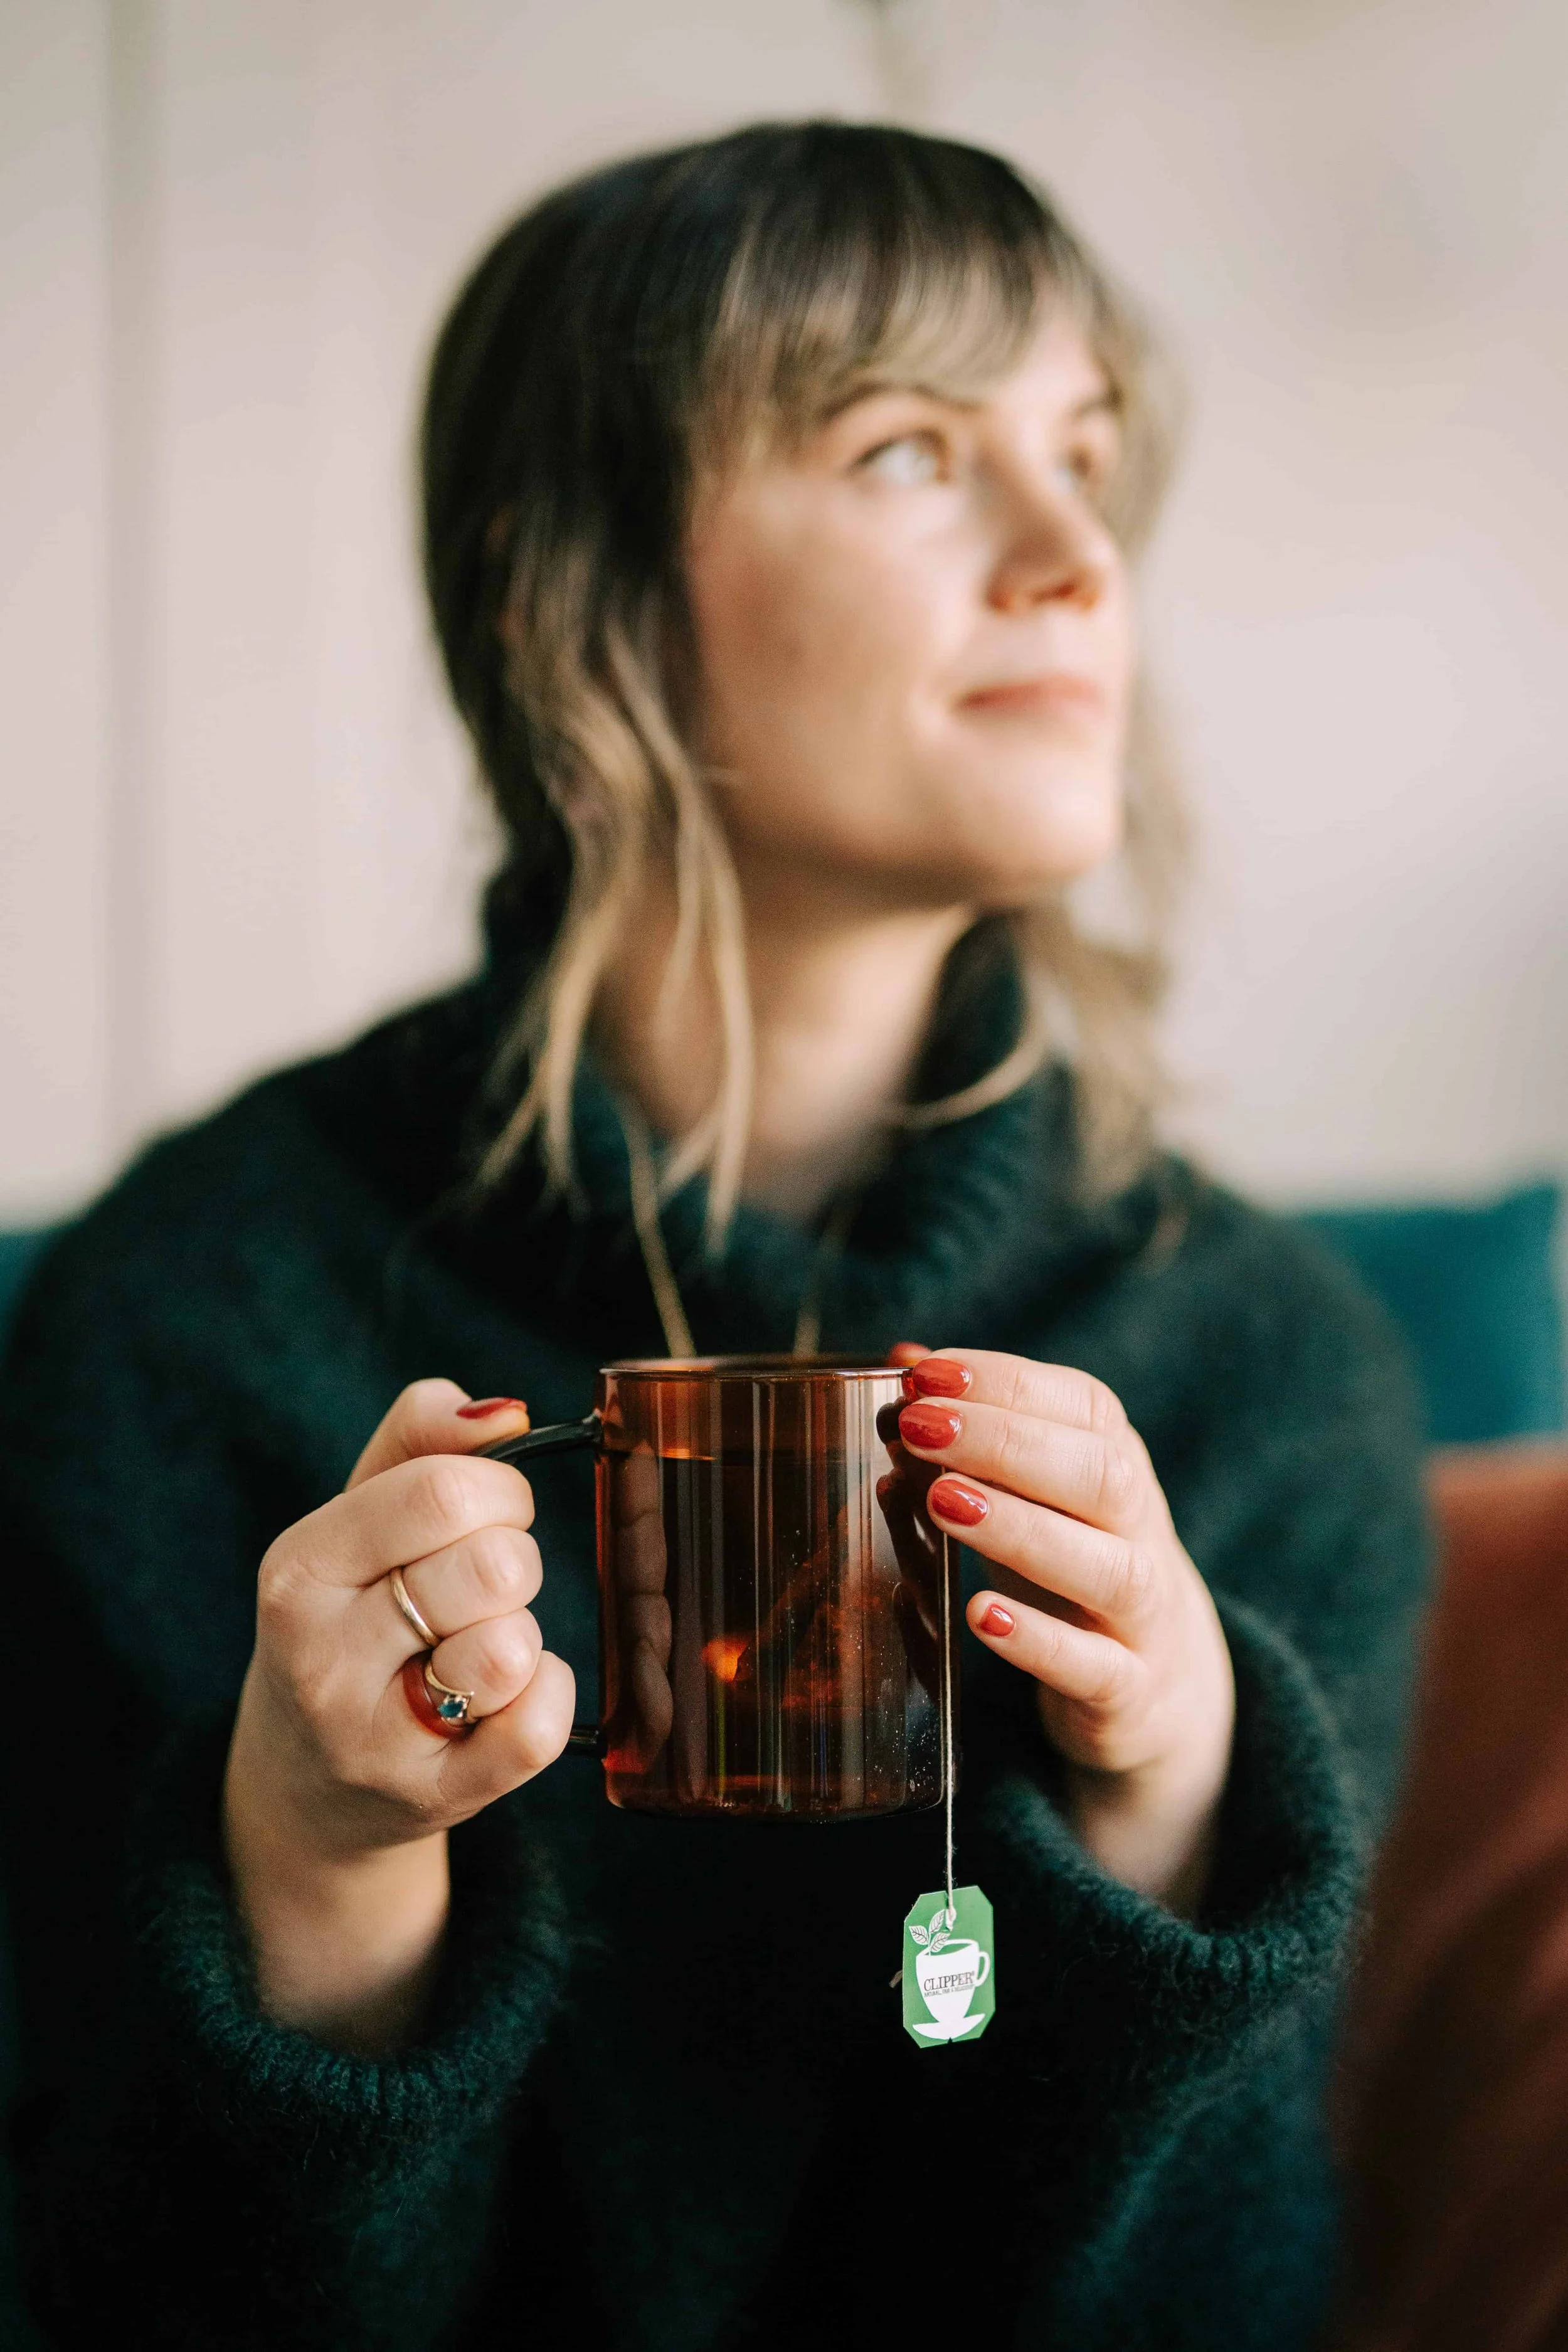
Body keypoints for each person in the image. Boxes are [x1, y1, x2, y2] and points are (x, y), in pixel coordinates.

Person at [0, 121, 1426, 2349]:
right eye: (905, 449)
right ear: (570, 591)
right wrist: (312, 1874)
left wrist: (1165, 1820)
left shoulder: (1265, 1364)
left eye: (1085, 450)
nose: (1074, 558)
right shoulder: (191, 1322)